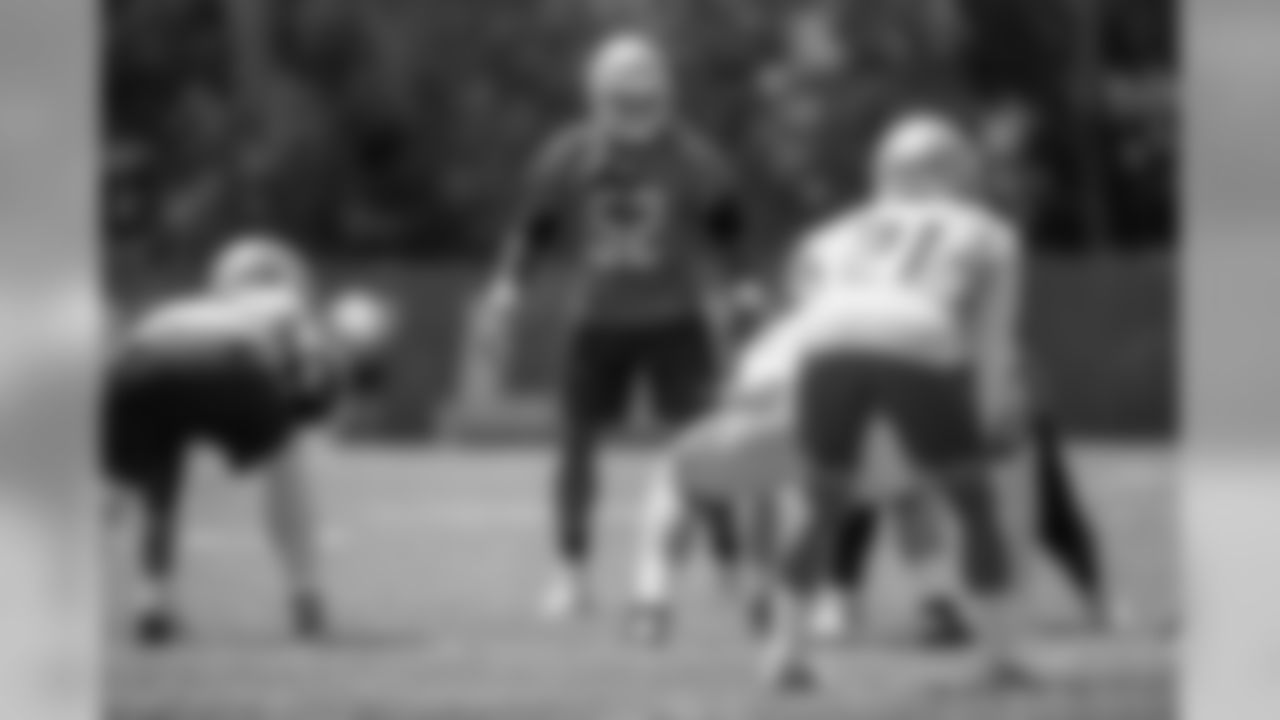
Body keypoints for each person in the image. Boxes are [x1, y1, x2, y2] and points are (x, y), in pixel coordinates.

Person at [474, 31, 755, 620]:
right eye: (623, 97)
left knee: (707, 450)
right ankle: (571, 571)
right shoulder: (569, 154)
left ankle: (731, 566)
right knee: (576, 448)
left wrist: (740, 287)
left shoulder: (692, 155)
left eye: (644, 95)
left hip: (675, 321)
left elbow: (728, 228)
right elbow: (536, 231)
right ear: (599, 95)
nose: (636, 109)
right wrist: (508, 286)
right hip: (596, 321)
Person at [758, 110, 1030, 691]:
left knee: (819, 503)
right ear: (955, 170)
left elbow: (807, 318)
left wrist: (790, 405)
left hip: (827, 337)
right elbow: (992, 336)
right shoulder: (987, 231)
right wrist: (987, 413)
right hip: (919, 331)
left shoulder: (829, 233)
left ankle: (785, 655)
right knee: (974, 504)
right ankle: (1000, 658)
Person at [104, 233, 374, 645]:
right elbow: (314, 374)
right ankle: (305, 594)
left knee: (155, 489)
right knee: (286, 460)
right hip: (229, 358)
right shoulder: (285, 304)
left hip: (135, 365)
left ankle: (152, 601)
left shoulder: (179, 308)